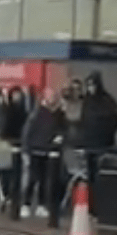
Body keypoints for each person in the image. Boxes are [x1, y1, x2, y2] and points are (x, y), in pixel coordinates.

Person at [21, 88, 65, 218]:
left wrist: (59, 137)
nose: (53, 99)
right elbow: (27, 132)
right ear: (45, 97)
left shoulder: (58, 114)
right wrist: (26, 150)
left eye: (54, 97)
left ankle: (41, 205)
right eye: (51, 96)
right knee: (33, 179)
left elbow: (62, 129)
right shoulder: (36, 113)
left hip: (49, 151)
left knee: (45, 180)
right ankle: (26, 204)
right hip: (35, 150)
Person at [61, 79, 84, 147]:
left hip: (78, 130)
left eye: (78, 89)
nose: (75, 91)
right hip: (66, 129)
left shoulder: (83, 103)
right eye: (72, 89)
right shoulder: (65, 101)